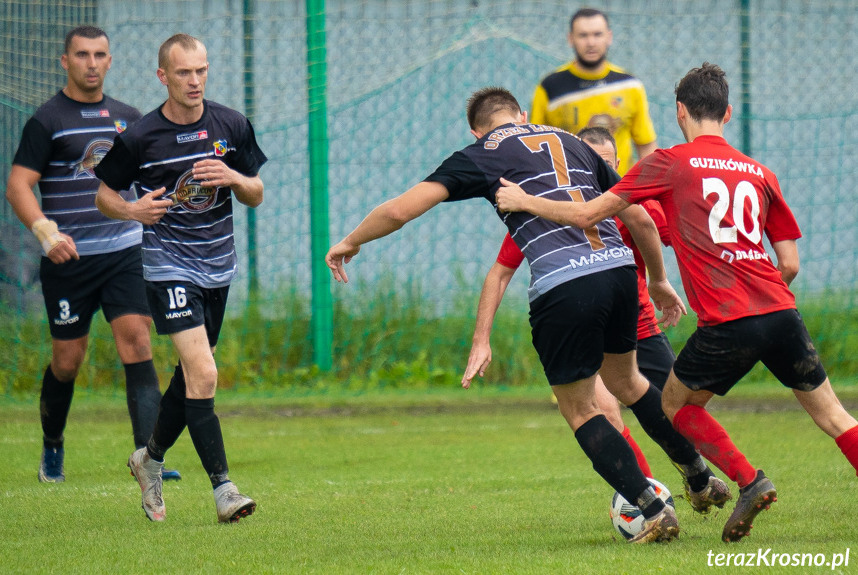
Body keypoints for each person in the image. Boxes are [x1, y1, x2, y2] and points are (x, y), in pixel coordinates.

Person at [326, 87, 729, 543]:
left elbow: (400, 210)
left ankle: (652, 508)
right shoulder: (572, 141)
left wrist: (352, 240)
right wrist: (657, 279)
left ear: (476, 130)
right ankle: (698, 477)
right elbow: (636, 216)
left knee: (579, 409)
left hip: (564, 286)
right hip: (618, 273)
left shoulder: (480, 153)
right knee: (631, 384)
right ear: (521, 114)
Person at [495, 63, 858, 543]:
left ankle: (749, 480)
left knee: (674, 404)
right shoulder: (760, 172)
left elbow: (587, 211)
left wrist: (526, 200)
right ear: (728, 113)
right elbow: (788, 261)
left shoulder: (670, 162)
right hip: (781, 311)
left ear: (680, 111)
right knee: (834, 415)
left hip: (730, 320)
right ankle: (733, 482)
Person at [94, 33, 267, 523]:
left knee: (191, 375)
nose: (194, 81)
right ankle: (224, 490)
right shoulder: (141, 137)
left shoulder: (231, 124)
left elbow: (255, 192)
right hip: (168, 267)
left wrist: (235, 179)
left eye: (202, 71)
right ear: (162, 76)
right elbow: (103, 194)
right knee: (206, 372)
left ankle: (148, 460)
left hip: (218, 268)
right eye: (184, 72)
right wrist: (132, 210)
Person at [5, 25, 180, 484]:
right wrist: (45, 232)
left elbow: (148, 180)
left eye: (99, 55)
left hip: (123, 251)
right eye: (82, 55)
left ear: (110, 61)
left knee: (137, 341)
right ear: (65, 62)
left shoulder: (128, 118)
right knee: (68, 361)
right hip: (68, 260)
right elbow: (18, 185)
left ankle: (150, 456)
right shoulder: (47, 120)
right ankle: (53, 447)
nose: (91, 63)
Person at [462, 127, 676, 483]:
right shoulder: (542, 217)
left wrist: (663, 282)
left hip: (638, 319)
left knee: (677, 406)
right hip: (588, 317)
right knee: (603, 408)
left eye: (604, 164)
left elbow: (661, 230)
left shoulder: (629, 202)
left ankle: (717, 478)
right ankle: (647, 495)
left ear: (616, 164)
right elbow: (498, 273)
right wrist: (481, 339)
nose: (595, 171)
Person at [531, 8, 657, 176]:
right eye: (583, 35)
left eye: (597, 34)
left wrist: (650, 190)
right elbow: (535, 147)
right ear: (571, 39)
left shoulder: (630, 85)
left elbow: (646, 145)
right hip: (571, 191)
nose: (591, 42)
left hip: (620, 191)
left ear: (609, 37)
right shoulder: (550, 87)